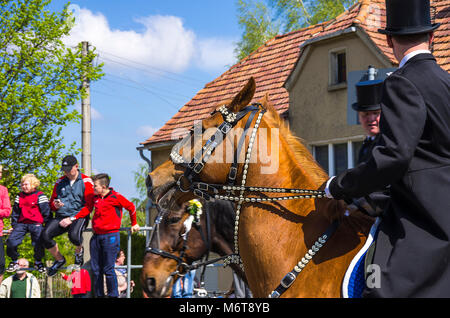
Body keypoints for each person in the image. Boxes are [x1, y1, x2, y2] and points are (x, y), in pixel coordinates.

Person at [323, 0, 450, 297]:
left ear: (390, 40)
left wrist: (338, 186)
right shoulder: (446, 82)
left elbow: (393, 158)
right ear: (431, 37)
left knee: (374, 286)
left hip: (423, 229)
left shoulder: (401, 83)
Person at [66, 173, 139, 298]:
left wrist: (134, 223)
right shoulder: (95, 197)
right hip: (96, 237)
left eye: (95, 186)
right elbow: (86, 209)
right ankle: (99, 295)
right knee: (96, 269)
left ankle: (113, 295)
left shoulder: (116, 197)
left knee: (108, 269)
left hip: (110, 236)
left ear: (104, 187)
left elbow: (131, 207)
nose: (93, 188)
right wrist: (73, 218)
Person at [41, 155, 94, 276]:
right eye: (64, 170)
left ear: (76, 166)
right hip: (61, 215)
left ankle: (79, 251)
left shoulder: (86, 181)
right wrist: (55, 205)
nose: (66, 172)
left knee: (74, 236)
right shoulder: (60, 181)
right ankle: (59, 259)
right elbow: (52, 203)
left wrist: (72, 219)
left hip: (79, 216)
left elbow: (89, 207)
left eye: (69, 169)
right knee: (45, 235)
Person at [6, 174, 50, 274]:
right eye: (22, 185)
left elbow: (46, 212)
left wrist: (46, 226)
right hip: (21, 223)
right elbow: (15, 212)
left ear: (33, 184)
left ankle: (38, 262)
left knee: (39, 242)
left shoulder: (40, 196)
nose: (24, 186)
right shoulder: (19, 196)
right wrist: (14, 225)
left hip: (36, 223)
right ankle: (14, 261)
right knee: (11, 241)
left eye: (26, 184)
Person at [0, 165, 11, 284]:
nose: (0, 175)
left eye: (0, 173)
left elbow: (7, 211)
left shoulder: (3, 190)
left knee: (1, 264)